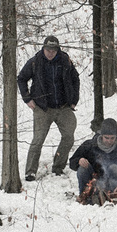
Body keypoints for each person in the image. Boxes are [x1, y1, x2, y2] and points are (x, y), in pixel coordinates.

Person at [17, 34, 80, 181]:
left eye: (53, 50)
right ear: (43, 48)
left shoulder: (65, 60)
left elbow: (75, 79)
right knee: (38, 139)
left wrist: (74, 99)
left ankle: (58, 167)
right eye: (48, 50)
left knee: (69, 136)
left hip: (63, 106)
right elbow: (21, 78)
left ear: (57, 50)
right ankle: (30, 171)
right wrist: (27, 98)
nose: (50, 53)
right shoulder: (35, 62)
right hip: (42, 107)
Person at [70, 118, 117, 205]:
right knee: (82, 168)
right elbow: (72, 162)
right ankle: (85, 196)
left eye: (112, 138)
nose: (109, 141)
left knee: (114, 167)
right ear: (101, 135)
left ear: (116, 137)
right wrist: (79, 161)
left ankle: (107, 196)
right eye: (106, 138)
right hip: (92, 183)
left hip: (110, 186)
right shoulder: (89, 145)